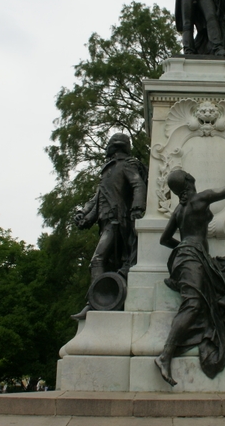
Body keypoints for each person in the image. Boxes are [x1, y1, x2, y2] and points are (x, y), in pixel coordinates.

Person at [154, 146, 225, 386]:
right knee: (193, 305)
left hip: (195, 258)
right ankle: (165, 355)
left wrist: (183, 247)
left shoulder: (179, 210)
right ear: (190, 181)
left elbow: (164, 240)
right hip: (192, 258)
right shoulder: (200, 199)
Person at [72, 133, 147, 319]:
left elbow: (138, 184)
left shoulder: (126, 165)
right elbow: (97, 198)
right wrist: (84, 214)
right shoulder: (109, 170)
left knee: (98, 260)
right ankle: (104, 301)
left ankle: (95, 303)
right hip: (106, 221)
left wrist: (137, 207)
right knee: (111, 262)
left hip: (117, 220)